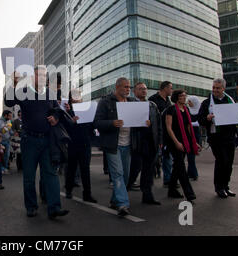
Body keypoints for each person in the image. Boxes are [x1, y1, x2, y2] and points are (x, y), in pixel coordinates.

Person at [4, 67, 69, 220]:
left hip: (47, 140)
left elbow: (56, 110)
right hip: (29, 140)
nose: (42, 78)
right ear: (33, 76)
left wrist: (55, 117)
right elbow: (8, 101)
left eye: (44, 75)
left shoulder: (50, 93)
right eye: (39, 75)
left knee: (51, 174)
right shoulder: (24, 91)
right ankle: (31, 207)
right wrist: (12, 82)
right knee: (29, 176)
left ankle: (54, 208)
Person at [94, 77, 137, 217]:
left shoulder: (132, 102)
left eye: (129, 87)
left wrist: (145, 122)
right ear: (117, 87)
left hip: (128, 145)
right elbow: (97, 122)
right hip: (113, 145)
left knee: (125, 176)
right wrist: (112, 123)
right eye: (125, 87)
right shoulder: (105, 102)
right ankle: (123, 204)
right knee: (117, 174)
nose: (128, 90)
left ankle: (114, 200)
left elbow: (139, 119)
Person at [198, 78, 238, 199]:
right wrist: (207, 118)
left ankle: (226, 186)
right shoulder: (207, 103)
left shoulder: (230, 101)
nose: (215, 90)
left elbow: (236, 119)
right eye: (214, 88)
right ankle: (219, 187)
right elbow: (200, 120)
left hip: (230, 137)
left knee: (229, 163)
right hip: (216, 137)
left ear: (223, 89)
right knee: (222, 161)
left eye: (218, 88)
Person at [128, 82, 163, 205]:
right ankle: (120, 197)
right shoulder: (130, 104)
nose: (143, 91)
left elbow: (158, 125)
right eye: (140, 89)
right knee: (133, 170)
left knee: (148, 171)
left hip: (150, 142)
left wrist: (160, 141)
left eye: (145, 89)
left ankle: (147, 195)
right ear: (134, 91)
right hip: (136, 142)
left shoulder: (152, 105)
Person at [62, 88, 97, 203]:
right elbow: (65, 128)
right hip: (72, 144)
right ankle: (68, 189)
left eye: (79, 95)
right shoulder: (67, 112)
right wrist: (72, 121)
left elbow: (92, 126)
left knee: (85, 169)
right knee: (71, 168)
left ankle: (87, 194)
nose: (77, 98)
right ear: (71, 98)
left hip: (85, 144)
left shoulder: (87, 109)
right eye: (75, 96)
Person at [165, 90, 199, 203]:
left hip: (185, 140)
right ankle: (189, 194)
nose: (184, 98)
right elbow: (168, 128)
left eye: (185, 96)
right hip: (174, 141)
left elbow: (188, 126)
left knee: (177, 166)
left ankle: (171, 189)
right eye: (181, 96)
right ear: (176, 98)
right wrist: (176, 142)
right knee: (181, 166)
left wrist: (194, 142)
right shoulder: (171, 109)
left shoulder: (186, 109)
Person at [149, 81, 173, 187]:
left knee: (167, 157)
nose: (171, 90)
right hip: (156, 134)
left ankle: (167, 180)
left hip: (167, 133)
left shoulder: (168, 101)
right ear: (165, 88)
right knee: (153, 158)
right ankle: (152, 174)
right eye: (170, 88)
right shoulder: (152, 99)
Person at [187, 96, 201, 181]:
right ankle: (190, 173)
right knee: (190, 155)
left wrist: (189, 124)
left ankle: (193, 173)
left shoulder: (199, 111)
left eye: (190, 101)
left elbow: (198, 123)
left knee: (191, 155)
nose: (188, 103)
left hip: (195, 135)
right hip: (188, 134)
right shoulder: (188, 110)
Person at [0, 110, 14, 174]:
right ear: (5, 115)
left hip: (7, 141)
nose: (10, 117)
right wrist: (3, 129)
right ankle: (0, 168)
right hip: (1, 141)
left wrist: (13, 133)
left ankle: (5, 168)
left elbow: (10, 131)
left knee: (7, 155)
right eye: (9, 116)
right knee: (0, 156)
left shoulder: (9, 122)